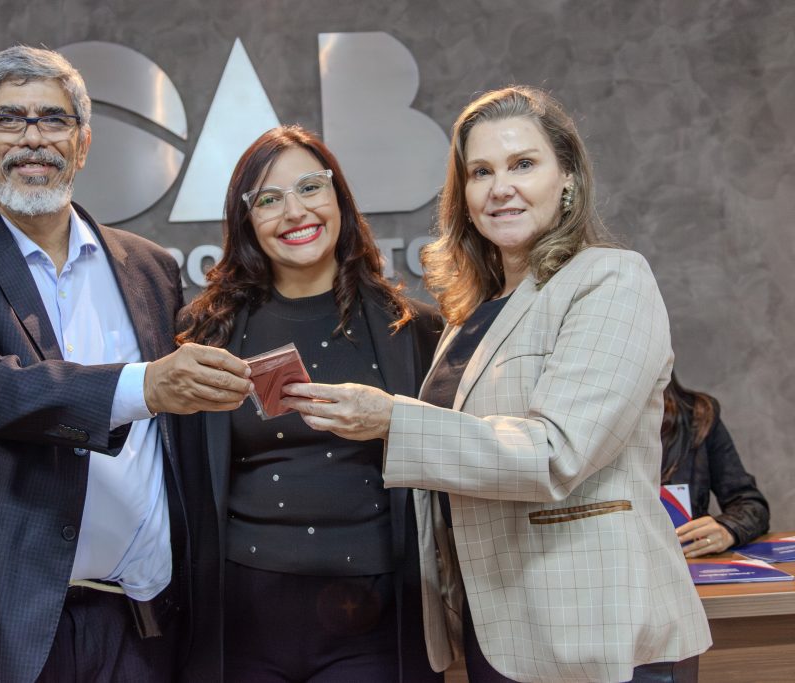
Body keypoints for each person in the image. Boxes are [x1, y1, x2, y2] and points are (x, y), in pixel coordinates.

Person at [284, 86, 712, 682]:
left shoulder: (611, 280)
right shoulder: (474, 313)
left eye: (523, 164)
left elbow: (556, 453)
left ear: (568, 177)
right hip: (503, 626)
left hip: (597, 630)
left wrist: (392, 420)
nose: (499, 187)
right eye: (480, 171)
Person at [0, 46, 251, 683]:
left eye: (53, 119)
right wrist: (146, 387)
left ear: (83, 143)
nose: (32, 138)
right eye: (8, 119)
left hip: (144, 621)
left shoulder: (151, 267)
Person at [176, 125, 443, 682]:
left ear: (338, 196)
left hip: (376, 617)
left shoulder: (415, 332)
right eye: (268, 199)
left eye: (310, 187)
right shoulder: (204, 335)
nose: (294, 212)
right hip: (241, 615)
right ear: (246, 220)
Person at [662, 372, 769, 556]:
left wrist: (727, 529)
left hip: (688, 563)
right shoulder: (607, 425)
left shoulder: (696, 416)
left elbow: (751, 504)